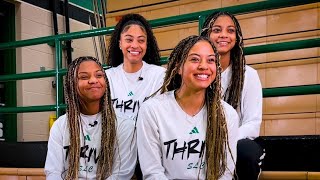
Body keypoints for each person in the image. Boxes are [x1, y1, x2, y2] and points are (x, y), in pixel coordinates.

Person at [137, 35, 239, 179]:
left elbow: (226, 173)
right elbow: (153, 172)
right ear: (179, 67)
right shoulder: (152, 110)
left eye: (210, 60)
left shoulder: (228, 115)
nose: (203, 66)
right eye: (195, 59)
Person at [44, 56, 136, 180]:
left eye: (99, 75)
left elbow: (121, 174)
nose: (93, 80)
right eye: (84, 77)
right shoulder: (60, 126)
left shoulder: (124, 125)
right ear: (72, 84)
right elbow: (53, 172)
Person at [201, 11, 264, 180]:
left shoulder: (248, 75)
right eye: (217, 30)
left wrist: (222, 139)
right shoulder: (200, 73)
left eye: (230, 30)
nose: (224, 35)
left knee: (246, 152)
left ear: (237, 38)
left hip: (237, 140)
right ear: (207, 35)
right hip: (203, 139)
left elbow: (253, 124)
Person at [106, 13, 166, 120]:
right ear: (120, 43)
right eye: (129, 39)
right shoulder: (107, 77)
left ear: (147, 44)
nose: (135, 45)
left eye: (141, 40)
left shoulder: (159, 75)